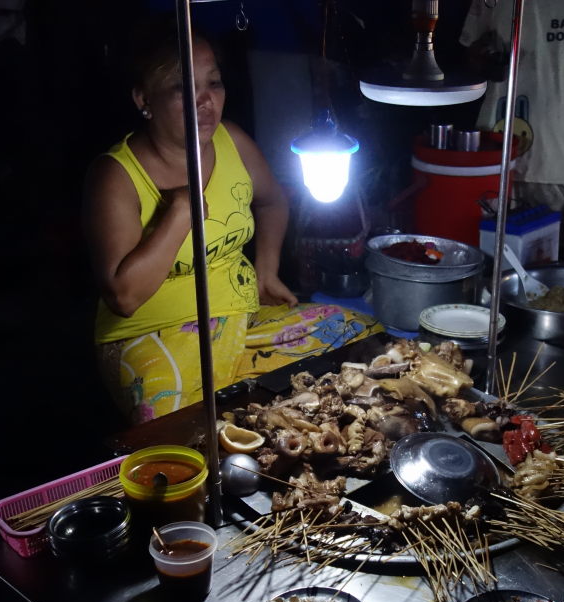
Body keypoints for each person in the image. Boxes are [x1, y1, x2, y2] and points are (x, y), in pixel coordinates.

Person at [85, 19, 380, 423]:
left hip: (243, 320)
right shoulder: (116, 175)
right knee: (182, 423)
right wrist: (178, 215)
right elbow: (123, 297)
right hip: (148, 338)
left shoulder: (232, 141)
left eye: (215, 84)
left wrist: (266, 270)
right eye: (182, 89)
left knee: (363, 341)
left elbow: (274, 200)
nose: (205, 101)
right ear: (143, 98)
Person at [459, 0, 564, 255]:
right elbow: (472, 55)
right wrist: (482, 59)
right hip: (496, 162)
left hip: (563, 167)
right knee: (491, 273)